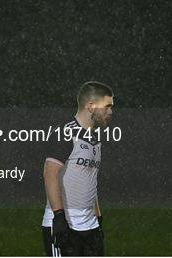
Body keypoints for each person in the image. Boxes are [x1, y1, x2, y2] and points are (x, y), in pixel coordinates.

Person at [42, 81, 114, 256]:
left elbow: (90, 179)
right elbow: (49, 175)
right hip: (66, 224)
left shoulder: (95, 139)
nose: (110, 112)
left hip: (90, 226)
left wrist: (98, 217)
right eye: (107, 106)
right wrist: (59, 217)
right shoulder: (66, 133)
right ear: (90, 106)